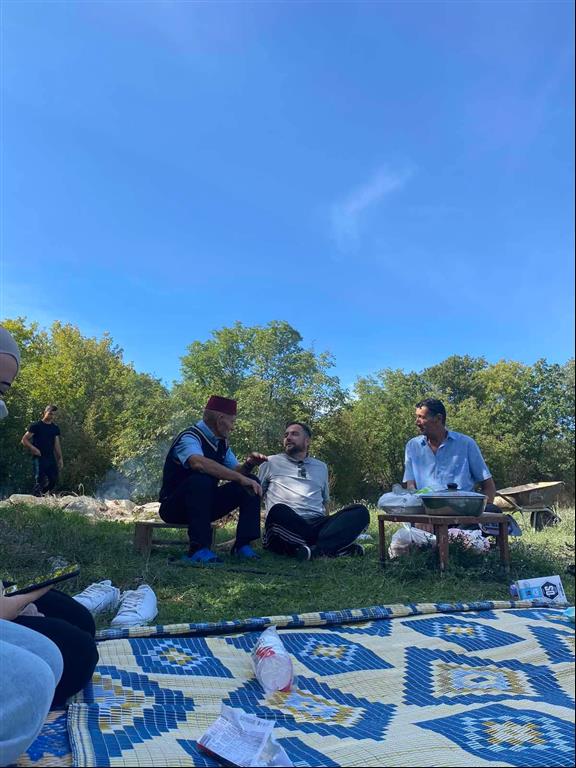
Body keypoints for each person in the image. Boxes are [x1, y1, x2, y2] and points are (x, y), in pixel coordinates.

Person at [159, 395, 266, 565]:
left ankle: (242, 545)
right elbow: (198, 463)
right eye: (232, 422)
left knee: (251, 482)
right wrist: (240, 478)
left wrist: (249, 464)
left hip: (204, 507)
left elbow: (236, 471)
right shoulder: (189, 437)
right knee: (200, 478)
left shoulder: (222, 443)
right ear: (220, 419)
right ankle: (198, 549)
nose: (233, 427)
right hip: (174, 508)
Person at [260, 422, 370, 560]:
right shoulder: (269, 462)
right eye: (286, 435)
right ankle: (333, 549)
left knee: (360, 512)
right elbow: (255, 496)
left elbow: (325, 502)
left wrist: (330, 527)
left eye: (294, 434)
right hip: (288, 524)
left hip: (317, 523)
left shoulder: (321, 467)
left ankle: (314, 551)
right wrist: (248, 535)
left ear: (307, 441)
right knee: (278, 510)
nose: (288, 438)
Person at [403, 398, 497, 500]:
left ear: (438, 418)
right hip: (424, 508)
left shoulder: (466, 444)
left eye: (422, 417)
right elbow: (411, 486)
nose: (417, 422)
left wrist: (484, 507)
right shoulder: (413, 446)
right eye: (417, 417)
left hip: (462, 508)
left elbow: (488, 486)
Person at [21, 405, 64, 495]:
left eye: (54, 414)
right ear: (44, 413)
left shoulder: (55, 428)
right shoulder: (36, 426)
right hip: (39, 457)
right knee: (40, 481)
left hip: (50, 457)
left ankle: (41, 495)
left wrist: (60, 458)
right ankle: (35, 497)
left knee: (54, 479)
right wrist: (33, 449)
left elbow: (57, 444)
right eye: (50, 413)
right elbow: (24, 440)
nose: (52, 416)